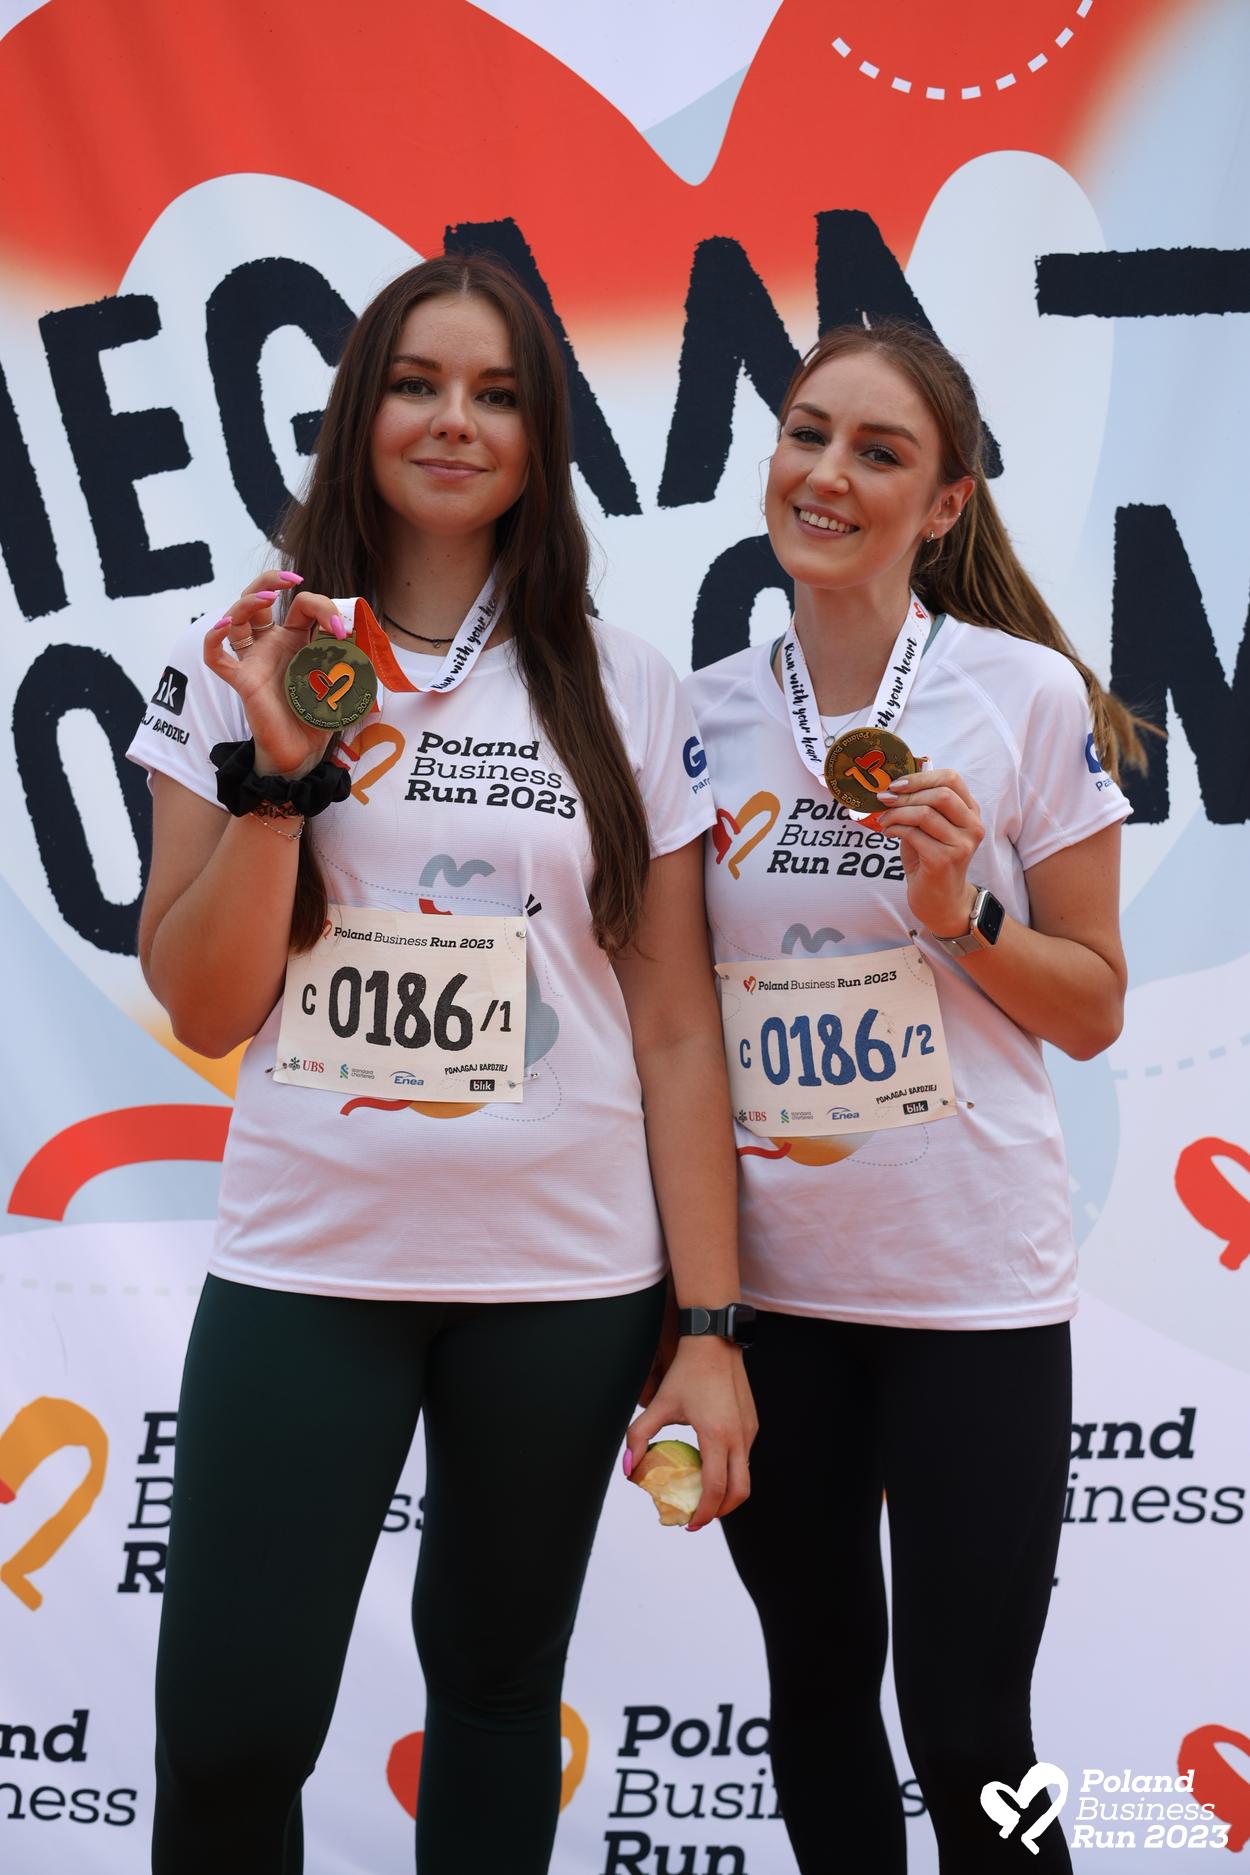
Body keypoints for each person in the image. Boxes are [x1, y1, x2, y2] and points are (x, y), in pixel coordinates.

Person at [128, 254, 754, 1875]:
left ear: (542, 438)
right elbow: (203, 1002)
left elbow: (676, 1028)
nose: (453, 422)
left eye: (496, 394)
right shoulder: (241, 647)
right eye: (416, 384)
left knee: (492, 1693)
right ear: (360, 412)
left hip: (562, 1277)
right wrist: (281, 778)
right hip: (312, 1259)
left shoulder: (622, 682)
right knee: (231, 1730)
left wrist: (705, 1328)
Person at [684, 319, 1148, 1872]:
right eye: (806, 433)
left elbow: (1092, 1005)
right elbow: (667, 1024)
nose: (825, 474)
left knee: (970, 1734)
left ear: (943, 506)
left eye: (877, 452)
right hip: (774, 1300)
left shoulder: (1020, 695)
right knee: (817, 1699)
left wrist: (959, 912)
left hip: (971, 1294)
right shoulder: (695, 713)